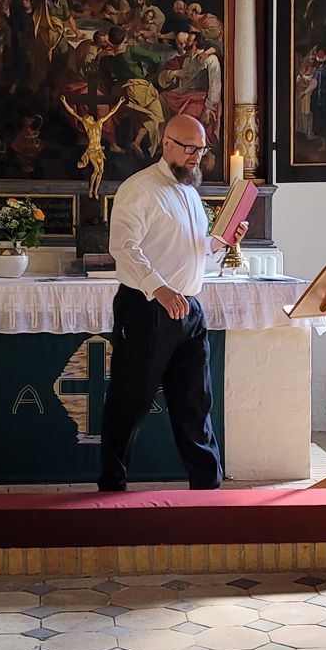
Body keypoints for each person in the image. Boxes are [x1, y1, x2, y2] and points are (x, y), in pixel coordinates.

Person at [100, 115, 248, 492]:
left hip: (189, 309)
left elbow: (197, 253)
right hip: (148, 308)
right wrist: (159, 289)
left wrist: (224, 241)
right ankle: (112, 486)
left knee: (195, 404)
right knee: (130, 401)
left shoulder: (190, 193)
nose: (198, 156)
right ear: (166, 143)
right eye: (190, 148)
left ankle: (207, 487)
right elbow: (123, 248)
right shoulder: (140, 189)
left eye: (201, 149)